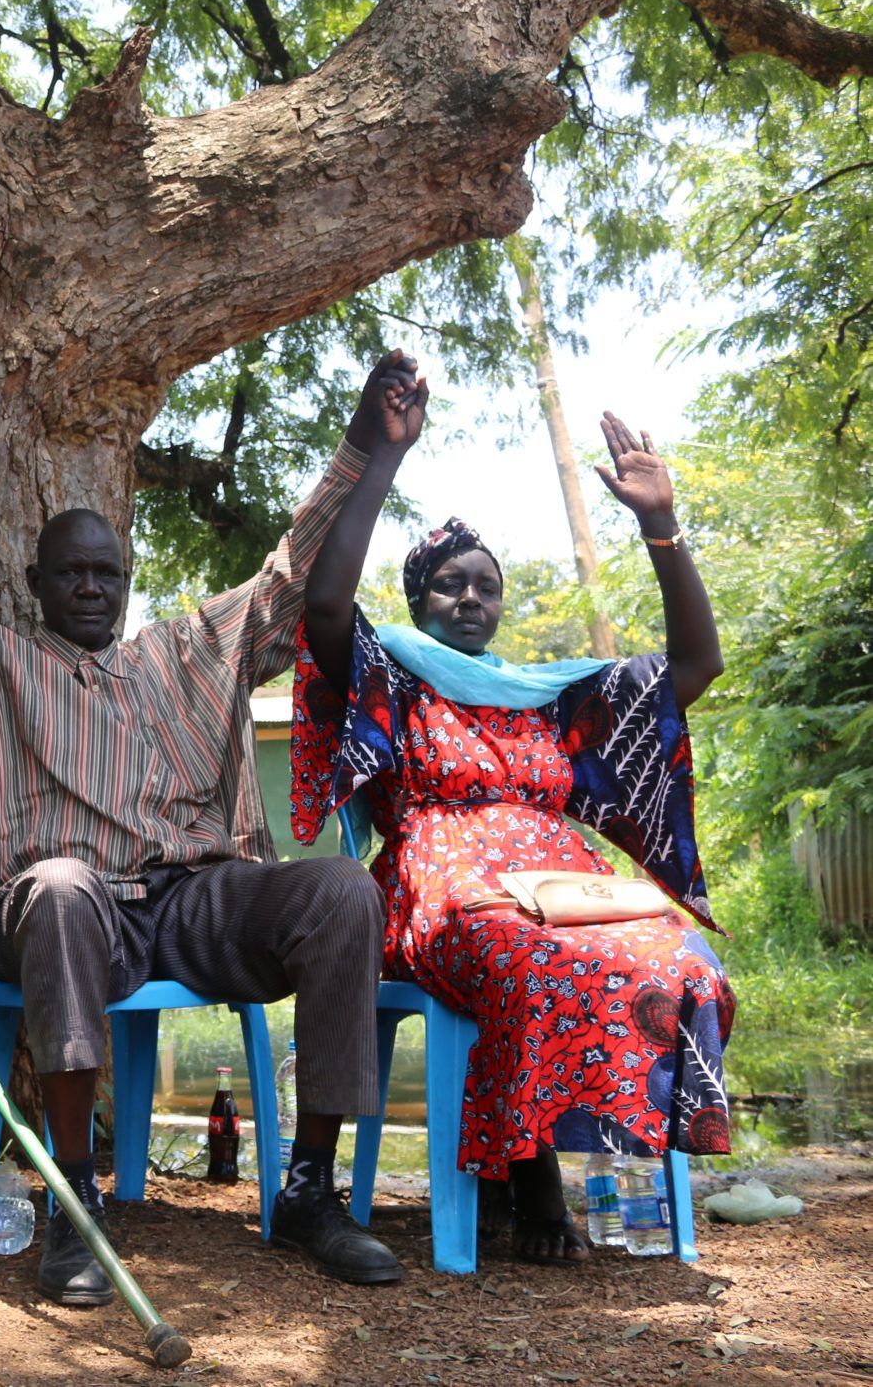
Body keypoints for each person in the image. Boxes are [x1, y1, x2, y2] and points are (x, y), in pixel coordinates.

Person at [0, 333, 430, 1296]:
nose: (91, 586)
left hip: (197, 902)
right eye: (71, 573)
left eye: (107, 573)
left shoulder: (187, 650)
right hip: (68, 912)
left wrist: (370, 445)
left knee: (343, 889)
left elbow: (293, 567)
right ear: (37, 585)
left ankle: (309, 1188)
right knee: (60, 887)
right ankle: (75, 1201)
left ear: (126, 583)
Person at [291, 411, 734, 1265]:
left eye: (486, 587)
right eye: (449, 585)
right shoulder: (393, 679)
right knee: (525, 958)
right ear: (418, 600)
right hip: (442, 885)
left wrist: (660, 525)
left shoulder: (547, 696)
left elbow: (695, 668)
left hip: (566, 884)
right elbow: (325, 604)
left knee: (687, 962)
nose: (471, 599)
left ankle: (588, 1168)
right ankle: (534, 1184)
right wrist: (382, 458)